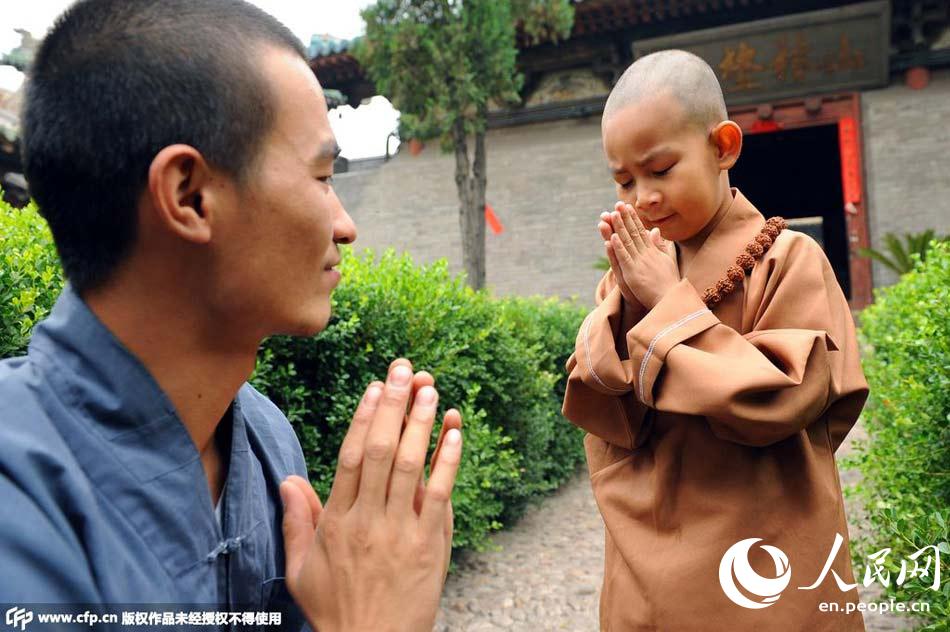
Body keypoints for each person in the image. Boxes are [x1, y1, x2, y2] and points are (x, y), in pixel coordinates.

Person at [0, 1, 461, 630]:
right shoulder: (17, 490)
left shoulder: (266, 439)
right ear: (189, 195)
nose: (346, 226)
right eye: (323, 175)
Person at [562, 50, 868, 631]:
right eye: (624, 181)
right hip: (649, 560)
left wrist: (667, 305)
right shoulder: (632, 275)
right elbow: (599, 403)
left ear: (724, 147)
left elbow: (785, 399)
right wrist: (629, 300)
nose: (642, 197)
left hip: (765, 548)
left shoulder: (788, 260)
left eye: (660, 169)